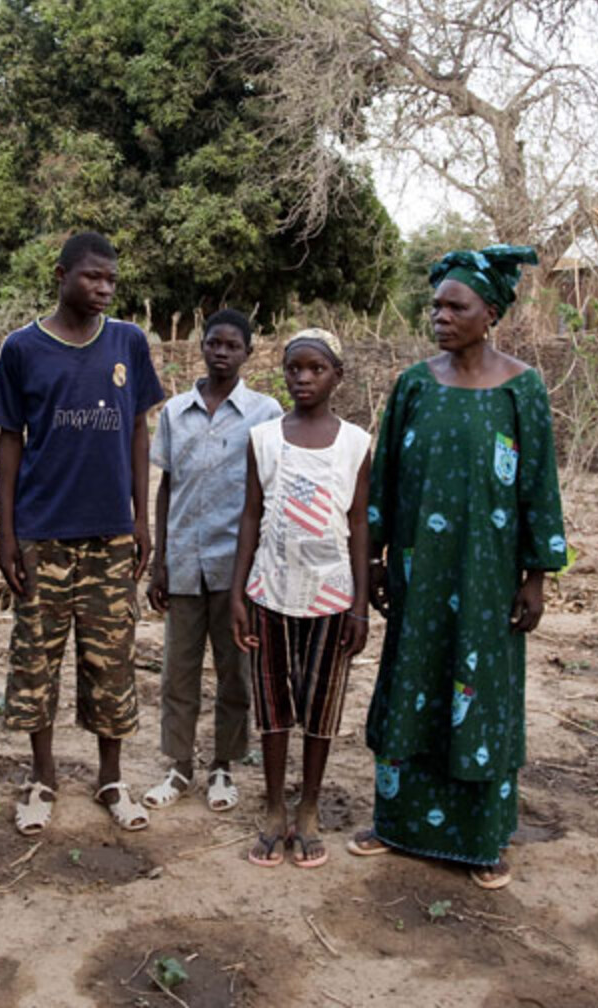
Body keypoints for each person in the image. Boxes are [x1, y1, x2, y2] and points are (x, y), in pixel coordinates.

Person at [351, 247, 566, 891]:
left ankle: (480, 839)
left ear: (490, 313)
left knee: (481, 691)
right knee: (412, 679)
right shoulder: (415, 383)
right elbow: (384, 473)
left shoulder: (522, 387)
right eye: (437, 305)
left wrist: (535, 576)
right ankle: (397, 824)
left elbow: (538, 485)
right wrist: (376, 558)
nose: (440, 316)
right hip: (420, 573)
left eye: (456, 306)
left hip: (486, 578)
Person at [0, 231, 166, 835]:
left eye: (112, 279)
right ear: (60, 275)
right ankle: (42, 777)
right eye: (92, 277)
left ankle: (111, 779)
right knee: (35, 663)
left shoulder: (128, 342)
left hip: (111, 537)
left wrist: (140, 519)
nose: (104, 288)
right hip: (42, 535)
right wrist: (8, 535)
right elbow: (11, 442)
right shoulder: (22, 349)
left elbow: (139, 432)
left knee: (112, 663)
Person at [228, 329, 371, 869]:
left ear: (338, 375)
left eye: (316, 369)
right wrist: (241, 592)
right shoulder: (264, 438)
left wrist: (358, 602)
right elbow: (250, 516)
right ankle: (272, 808)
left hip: (333, 597)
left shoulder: (355, 443)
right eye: (294, 369)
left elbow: (359, 524)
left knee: (321, 708)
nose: (304, 379)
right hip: (270, 590)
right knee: (273, 706)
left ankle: (308, 808)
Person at [143, 309, 282, 813]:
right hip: (182, 562)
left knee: (234, 671)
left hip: (236, 568)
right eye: (213, 343)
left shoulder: (265, 414)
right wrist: (159, 559)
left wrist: (262, 569)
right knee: (177, 673)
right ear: (202, 347)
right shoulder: (175, 413)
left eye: (232, 345)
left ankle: (224, 765)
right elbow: (165, 488)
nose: (221, 352)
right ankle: (178, 765)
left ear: (248, 353)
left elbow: (271, 493)